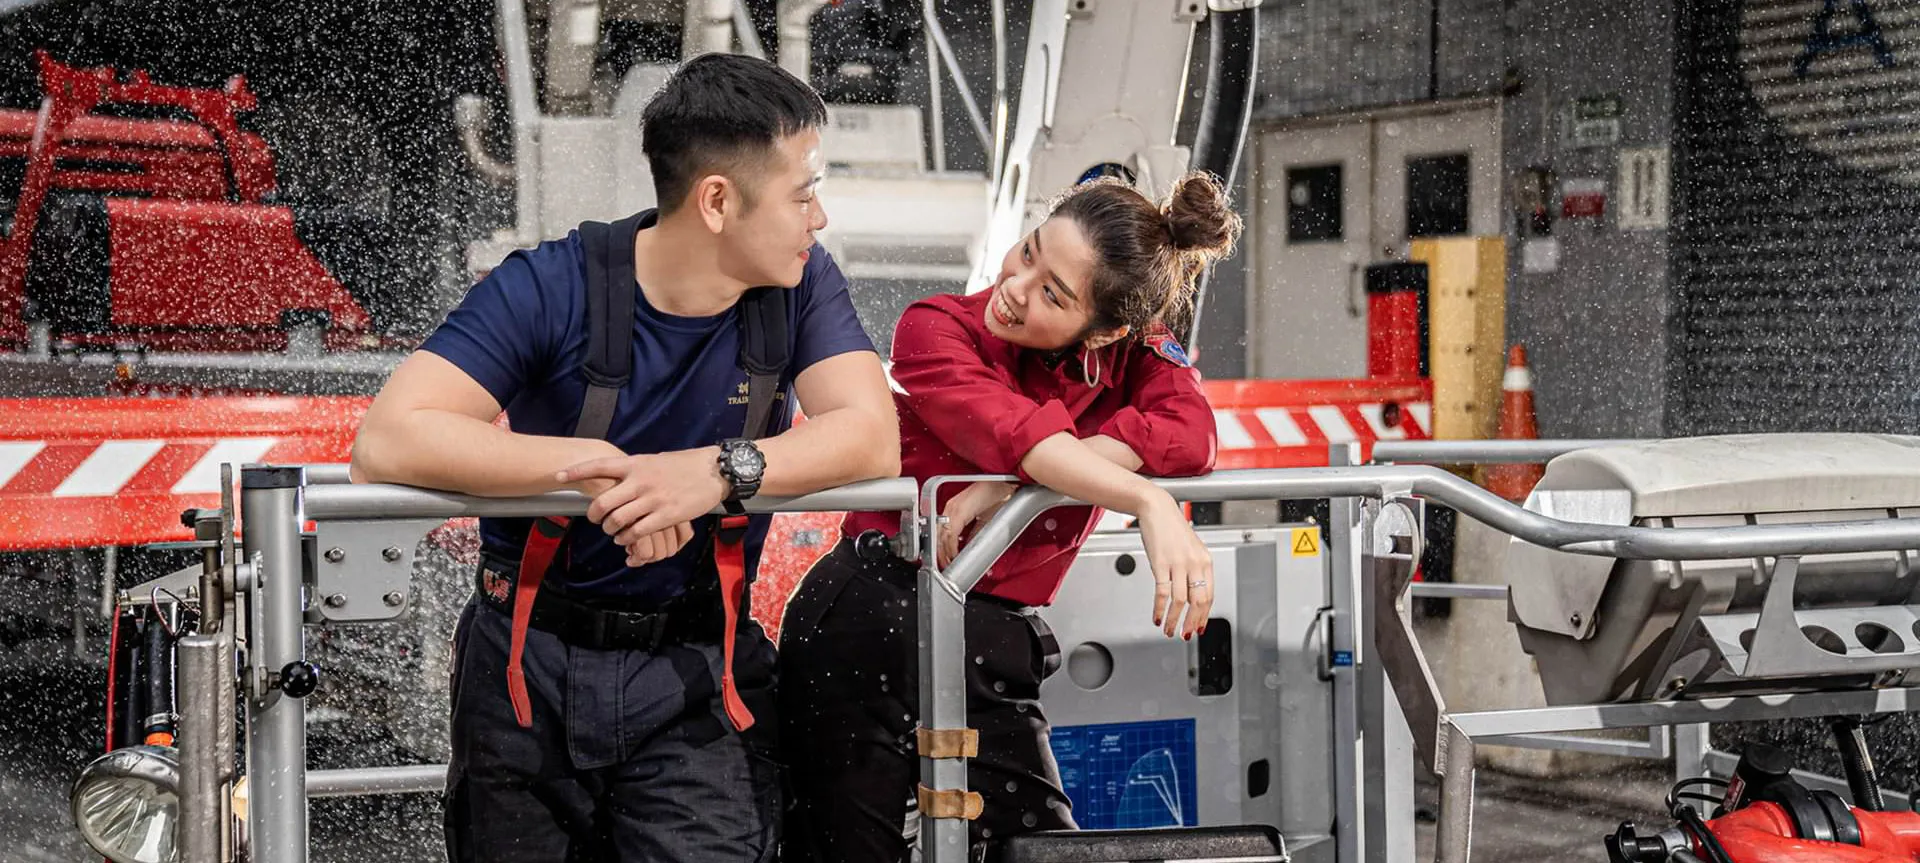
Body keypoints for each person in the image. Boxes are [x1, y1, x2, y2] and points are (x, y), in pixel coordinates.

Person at [347, 52, 900, 862]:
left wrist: (710, 473)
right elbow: (388, 439)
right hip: (524, 678)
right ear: (717, 199)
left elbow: (868, 432)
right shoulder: (549, 284)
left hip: (699, 676)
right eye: (803, 192)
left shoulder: (803, 284)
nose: (818, 218)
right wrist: (602, 470)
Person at [777, 170, 1241, 862]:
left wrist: (1014, 485)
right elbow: (1015, 433)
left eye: (1053, 292)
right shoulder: (935, 327)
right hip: (870, 617)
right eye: (1029, 251)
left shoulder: (1135, 354)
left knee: (1039, 848)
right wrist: (1143, 497)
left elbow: (1192, 431)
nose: (1015, 288)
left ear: (1108, 329)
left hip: (989, 638)